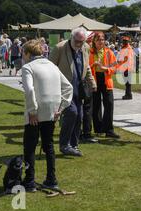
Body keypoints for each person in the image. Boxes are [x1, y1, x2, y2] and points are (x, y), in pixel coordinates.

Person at [21, 40, 73, 192]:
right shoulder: (53, 66)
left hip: (36, 112)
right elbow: (68, 87)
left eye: (24, 53)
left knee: (30, 146)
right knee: (48, 146)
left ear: (28, 53)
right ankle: (52, 179)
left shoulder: (27, 67)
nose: (23, 56)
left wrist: (32, 111)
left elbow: (29, 90)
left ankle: (30, 181)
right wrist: (61, 108)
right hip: (51, 111)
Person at [49, 27, 97, 157]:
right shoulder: (60, 48)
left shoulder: (85, 47)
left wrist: (92, 82)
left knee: (79, 116)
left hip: (78, 87)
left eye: (82, 41)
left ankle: (74, 145)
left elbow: (86, 67)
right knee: (72, 113)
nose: (79, 44)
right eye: (77, 41)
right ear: (71, 37)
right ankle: (64, 145)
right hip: (63, 88)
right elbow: (50, 68)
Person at [89, 32, 119, 139]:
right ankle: (98, 129)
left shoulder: (109, 52)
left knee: (109, 105)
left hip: (106, 79)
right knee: (96, 106)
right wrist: (94, 65)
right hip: (94, 80)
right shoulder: (90, 52)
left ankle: (109, 130)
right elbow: (86, 67)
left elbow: (115, 68)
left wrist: (105, 69)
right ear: (94, 41)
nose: (101, 42)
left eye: (102, 39)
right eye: (98, 40)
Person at [117, 35, 134, 100]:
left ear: (127, 42)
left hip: (127, 68)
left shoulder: (127, 49)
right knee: (127, 83)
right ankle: (128, 94)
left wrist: (119, 63)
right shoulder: (125, 48)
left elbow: (126, 59)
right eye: (123, 41)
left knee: (128, 83)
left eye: (125, 41)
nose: (124, 42)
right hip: (126, 67)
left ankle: (128, 95)